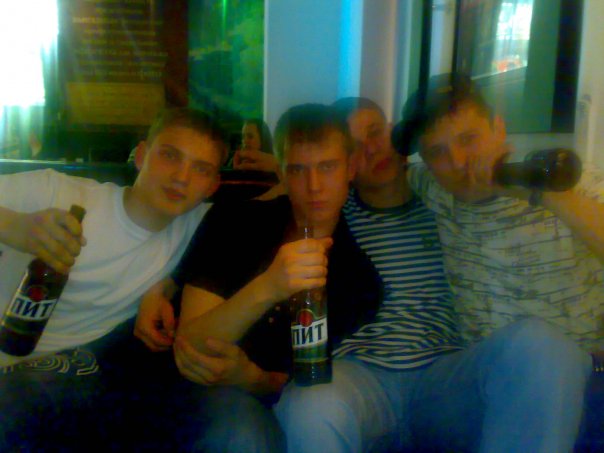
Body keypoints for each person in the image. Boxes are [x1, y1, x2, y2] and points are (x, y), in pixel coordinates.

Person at [274, 95, 589, 453]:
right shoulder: (333, 212)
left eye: (376, 133)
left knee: (541, 343)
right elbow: (293, 187)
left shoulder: (448, 197)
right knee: (311, 403)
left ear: (395, 133)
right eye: (357, 146)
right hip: (358, 379)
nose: (373, 150)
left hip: (446, 380)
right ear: (346, 165)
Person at [0, 107, 227, 450]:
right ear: (141, 156)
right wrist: (16, 227)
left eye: (201, 169)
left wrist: (163, 287)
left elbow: (276, 204)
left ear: (212, 185)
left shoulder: (199, 225)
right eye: (170, 156)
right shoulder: (58, 191)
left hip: (60, 382)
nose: (182, 177)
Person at [400, 73, 602, 451]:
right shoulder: (435, 189)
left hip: (578, 377)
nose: (458, 162)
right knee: (533, 344)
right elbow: (366, 171)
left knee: (543, 347)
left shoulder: (574, 189)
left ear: (499, 128)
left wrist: (540, 193)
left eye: (468, 139)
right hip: (477, 384)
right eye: (438, 153)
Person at [163, 103, 382, 451]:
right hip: (209, 394)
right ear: (281, 172)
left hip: (290, 402)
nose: (314, 186)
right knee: (241, 433)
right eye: (298, 170)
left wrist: (252, 378)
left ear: (350, 168)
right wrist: (269, 286)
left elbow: (312, 380)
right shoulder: (235, 222)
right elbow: (191, 345)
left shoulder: (359, 276)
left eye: (327, 167)